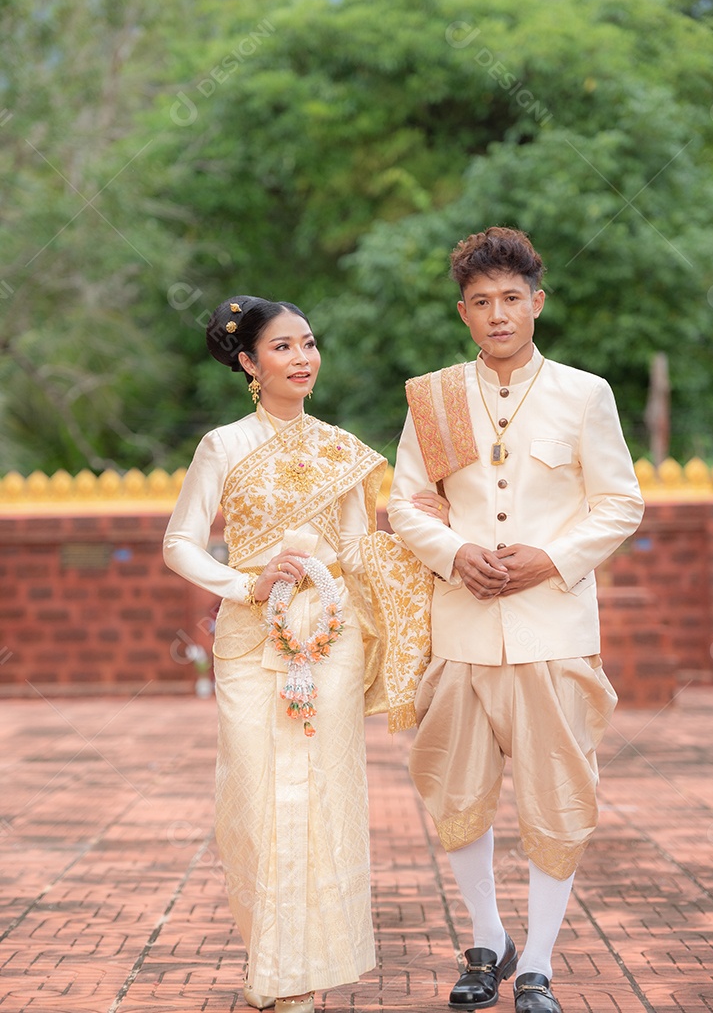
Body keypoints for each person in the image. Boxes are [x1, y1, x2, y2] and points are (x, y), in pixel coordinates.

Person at [387, 227, 644, 1013]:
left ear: (537, 302)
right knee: (455, 793)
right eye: (479, 302)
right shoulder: (432, 396)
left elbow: (619, 502)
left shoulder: (583, 393)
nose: (496, 314)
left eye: (510, 299)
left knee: (556, 795)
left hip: (552, 629)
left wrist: (552, 560)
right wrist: (455, 553)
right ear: (462, 313)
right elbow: (404, 502)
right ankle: (486, 937)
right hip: (460, 629)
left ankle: (536, 962)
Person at [163, 296, 441, 1013]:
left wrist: (431, 538)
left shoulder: (340, 449)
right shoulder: (222, 446)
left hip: (331, 640)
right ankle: (273, 960)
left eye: (309, 343)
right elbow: (180, 543)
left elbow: (354, 550)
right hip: (250, 636)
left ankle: (302, 978)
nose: (303, 358)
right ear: (250, 364)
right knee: (252, 799)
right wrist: (244, 584)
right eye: (282, 347)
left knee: (326, 797)